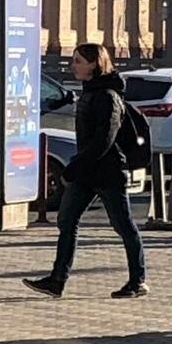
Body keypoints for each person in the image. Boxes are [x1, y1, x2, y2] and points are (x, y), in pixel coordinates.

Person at [22, 43, 147, 299]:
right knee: (66, 220)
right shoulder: (91, 92)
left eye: (78, 61)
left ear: (94, 64)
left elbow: (104, 140)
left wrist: (72, 168)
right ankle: (57, 280)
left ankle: (138, 281)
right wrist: (79, 168)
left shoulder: (108, 97)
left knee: (123, 226)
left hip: (107, 172)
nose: (73, 65)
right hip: (87, 172)